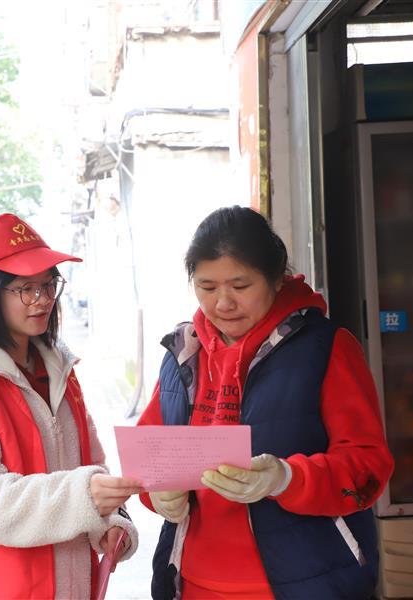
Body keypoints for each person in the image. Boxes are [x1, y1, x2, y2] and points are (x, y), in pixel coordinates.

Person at [138, 206, 394, 599]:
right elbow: (148, 456)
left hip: (304, 585)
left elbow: (368, 467)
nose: (223, 303)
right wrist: (156, 492)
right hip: (191, 584)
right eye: (207, 287)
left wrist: (286, 478)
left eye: (240, 286)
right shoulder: (182, 354)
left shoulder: (325, 348)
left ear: (276, 279)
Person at [0, 213, 142, 599]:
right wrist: (84, 496)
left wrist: (110, 521)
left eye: (48, 285)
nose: (42, 300)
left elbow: (91, 465)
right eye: (26, 289)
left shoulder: (57, 368)